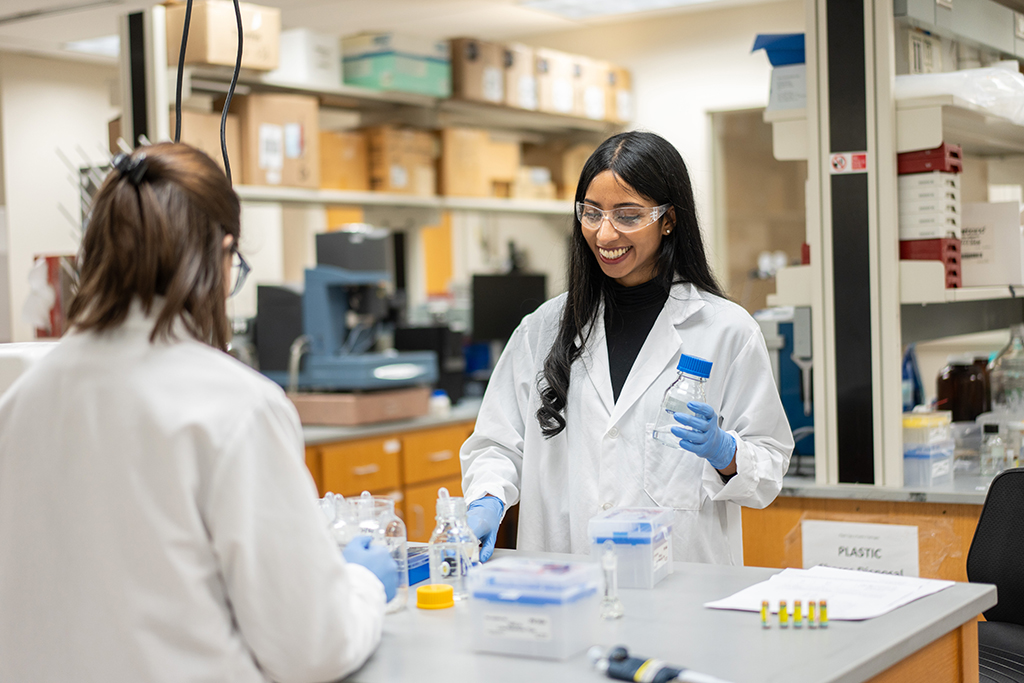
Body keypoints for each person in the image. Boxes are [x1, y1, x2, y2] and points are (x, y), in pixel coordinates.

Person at [0, 143, 396, 682]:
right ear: (222, 252)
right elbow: (312, 648)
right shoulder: (236, 408)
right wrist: (363, 584)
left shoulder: (21, 400)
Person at [461, 131, 794, 565]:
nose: (605, 232)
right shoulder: (541, 330)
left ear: (668, 219)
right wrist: (487, 498)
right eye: (592, 213)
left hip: (679, 587)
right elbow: (496, 444)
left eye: (628, 215)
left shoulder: (726, 330)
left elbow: (769, 463)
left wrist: (727, 452)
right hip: (564, 579)